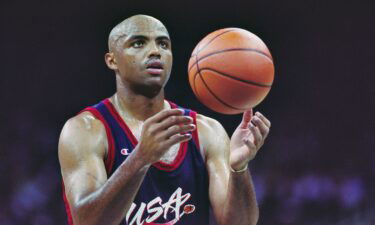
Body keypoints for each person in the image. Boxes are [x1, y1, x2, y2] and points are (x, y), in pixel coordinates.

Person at [58, 14, 271, 225]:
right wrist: (140, 158)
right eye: (138, 43)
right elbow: (86, 221)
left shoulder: (206, 131)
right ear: (112, 60)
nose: (155, 51)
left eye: (163, 44)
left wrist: (239, 169)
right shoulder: (85, 129)